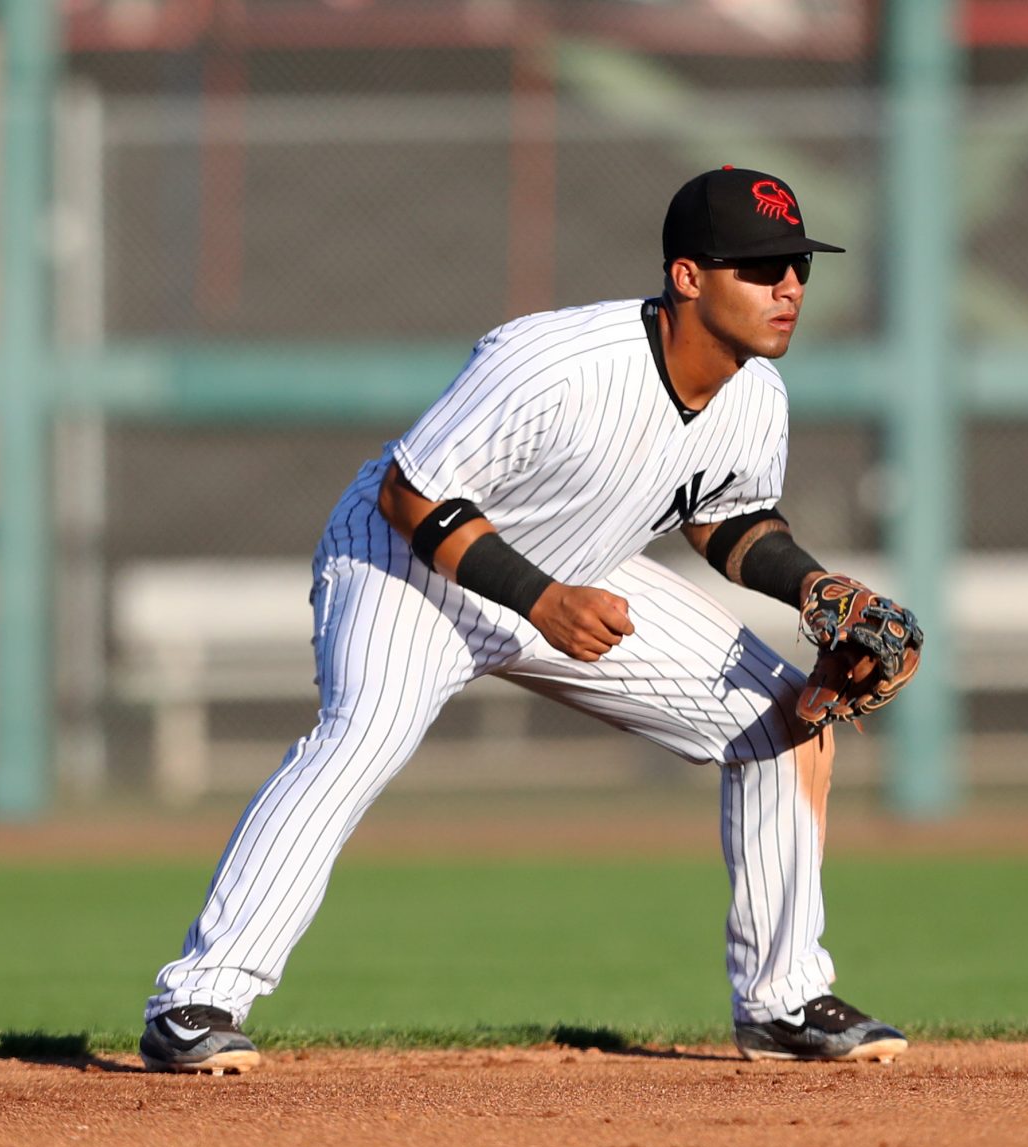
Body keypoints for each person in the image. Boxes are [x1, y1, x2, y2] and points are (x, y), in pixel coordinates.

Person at [139, 167, 912, 1073]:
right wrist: (541, 601)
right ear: (688, 277)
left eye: (798, 267)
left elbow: (729, 518)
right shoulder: (555, 361)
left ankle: (781, 1003)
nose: (789, 288)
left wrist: (821, 591)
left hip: (574, 571)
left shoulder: (755, 394)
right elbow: (409, 490)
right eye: (761, 266)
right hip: (405, 563)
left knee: (784, 726)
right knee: (364, 734)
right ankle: (197, 997)